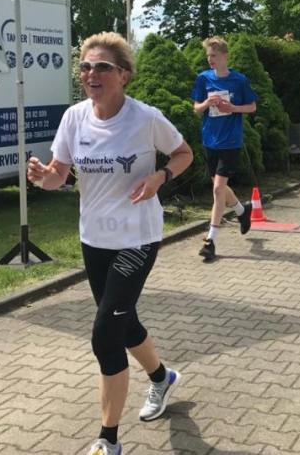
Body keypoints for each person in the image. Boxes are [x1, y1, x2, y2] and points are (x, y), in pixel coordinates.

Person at [27, 32, 194, 455]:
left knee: (105, 333)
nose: (91, 74)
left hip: (137, 237)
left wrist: (159, 177)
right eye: (85, 66)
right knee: (124, 321)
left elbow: (184, 154)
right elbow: (59, 175)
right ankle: (162, 378)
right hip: (94, 238)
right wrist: (42, 177)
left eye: (102, 66)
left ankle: (108, 440)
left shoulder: (145, 118)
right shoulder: (74, 118)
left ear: (123, 74)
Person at [192, 36, 257, 263]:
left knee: (218, 189)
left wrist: (233, 108)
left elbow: (252, 106)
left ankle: (210, 240)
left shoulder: (239, 80)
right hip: (210, 140)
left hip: (230, 141)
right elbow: (196, 109)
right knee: (219, 188)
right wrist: (206, 104)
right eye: (208, 56)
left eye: (214, 55)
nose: (210, 59)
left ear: (225, 56)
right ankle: (241, 211)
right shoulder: (203, 79)